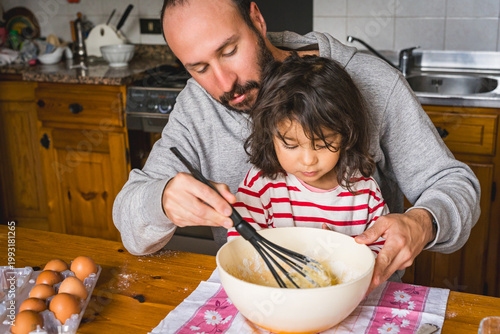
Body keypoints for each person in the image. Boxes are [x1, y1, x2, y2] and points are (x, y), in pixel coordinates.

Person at [113, 0, 480, 293]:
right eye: (199, 67)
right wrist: (161, 200)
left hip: (362, 301)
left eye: (228, 50)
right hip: (262, 299)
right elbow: (130, 225)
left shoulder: (372, 82)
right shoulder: (197, 105)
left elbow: (454, 183)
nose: (225, 83)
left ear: (256, 18)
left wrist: (422, 222)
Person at [227, 53, 388, 258]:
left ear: (346, 135)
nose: (308, 160)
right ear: (270, 137)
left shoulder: (364, 191)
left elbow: (382, 252)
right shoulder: (261, 185)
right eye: (290, 145)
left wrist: (342, 252)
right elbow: (240, 245)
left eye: (323, 144)